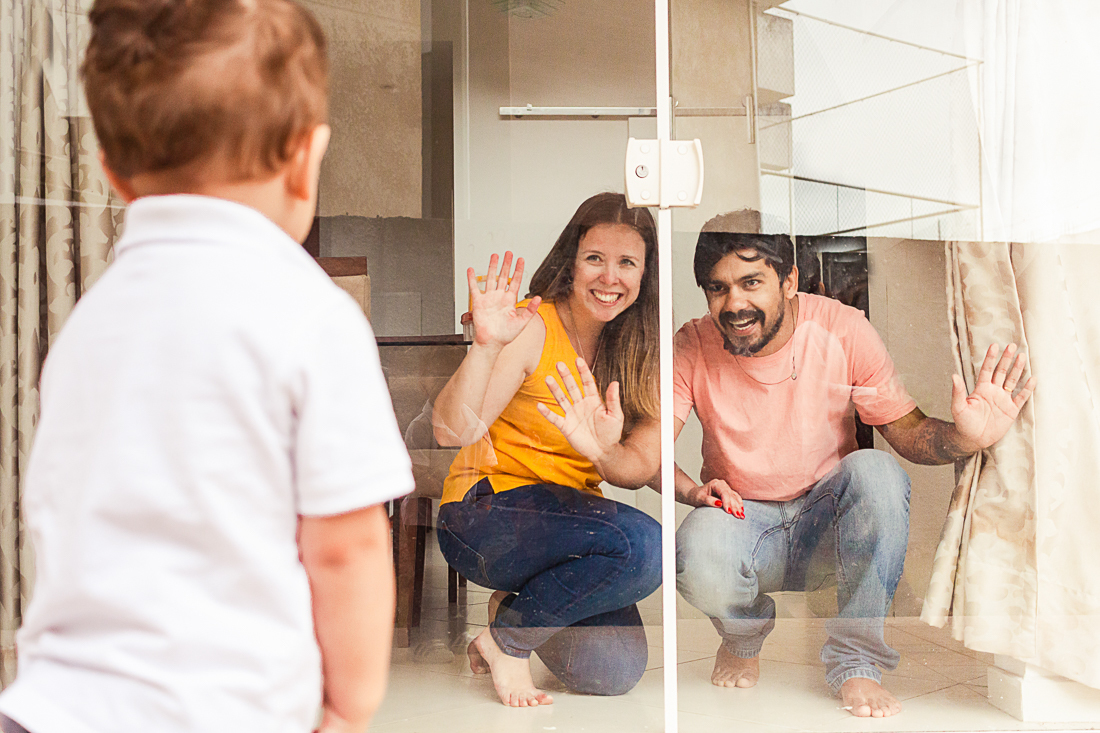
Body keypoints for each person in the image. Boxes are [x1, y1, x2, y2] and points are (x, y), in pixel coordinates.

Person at [0, 2, 413, 732]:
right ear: (303, 157)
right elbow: (347, 543)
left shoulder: (86, 328)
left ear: (114, 176)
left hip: (52, 708)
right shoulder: (312, 317)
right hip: (226, 709)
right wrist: (349, 704)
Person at [670, 230, 1035, 718]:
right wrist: (691, 490)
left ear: (790, 280)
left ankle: (857, 663)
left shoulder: (842, 327)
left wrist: (968, 438)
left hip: (829, 525)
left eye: (751, 282)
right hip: (743, 523)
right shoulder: (692, 343)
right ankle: (743, 636)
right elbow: (649, 450)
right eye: (718, 288)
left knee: (877, 470)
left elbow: (906, 433)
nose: (735, 303)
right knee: (696, 542)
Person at [432, 192, 663, 708]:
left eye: (627, 263)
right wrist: (486, 348)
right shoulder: (533, 326)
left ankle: (511, 613)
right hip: (486, 513)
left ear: (645, 276)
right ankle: (508, 644)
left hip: (565, 530)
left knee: (614, 671)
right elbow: (452, 431)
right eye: (595, 259)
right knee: (645, 547)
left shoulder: (637, 350)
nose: (610, 277)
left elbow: (639, 463)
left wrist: (679, 484)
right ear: (571, 262)